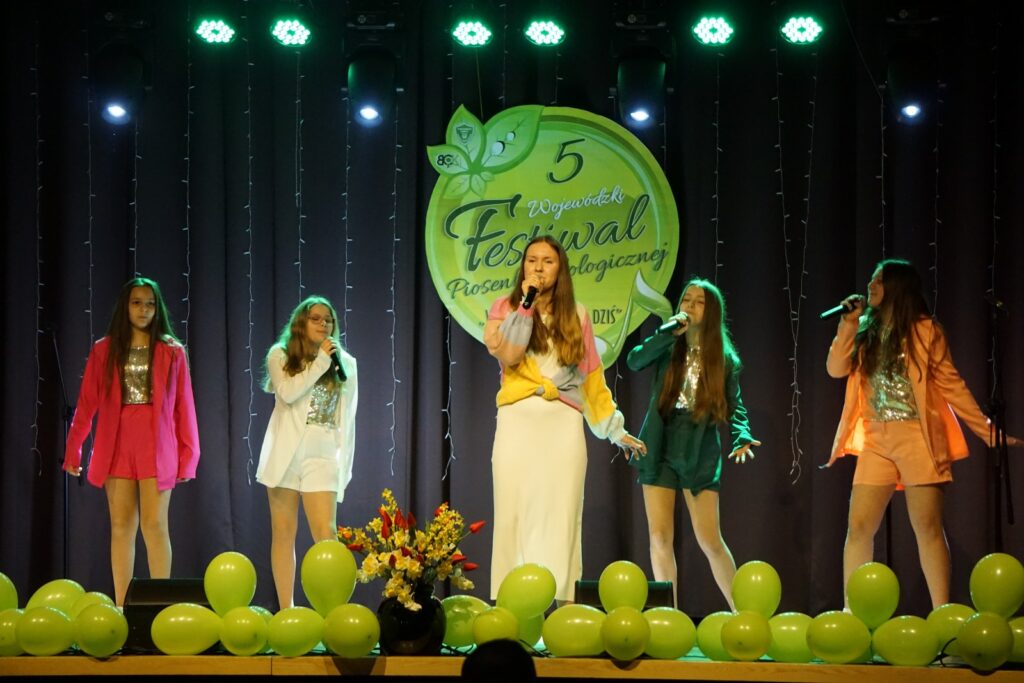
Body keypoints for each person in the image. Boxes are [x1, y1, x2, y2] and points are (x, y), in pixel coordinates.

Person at [826, 258, 1022, 608]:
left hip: (917, 438)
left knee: (927, 528)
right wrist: (848, 323)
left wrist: (989, 432)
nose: (870, 285)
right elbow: (835, 368)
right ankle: (850, 610)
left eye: (879, 280)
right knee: (858, 527)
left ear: (898, 288)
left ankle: (941, 611)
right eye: (871, 279)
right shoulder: (864, 328)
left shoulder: (926, 331)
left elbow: (953, 386)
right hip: (876, 439)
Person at [484, 236, 646, 605]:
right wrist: (525, 306)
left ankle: (563, 610)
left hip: (562, 426)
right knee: (512, 516)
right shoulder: (505, 307)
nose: (538, 267)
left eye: (548, 261)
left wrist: (615, 429)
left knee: (561, 518)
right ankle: (511, 610)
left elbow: (592, 381)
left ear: (561, 270)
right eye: (532, 260)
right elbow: (510, 355)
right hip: (517, 422)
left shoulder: (578, 315)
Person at [64, 277, 200, 607]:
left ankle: (159, 606)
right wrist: (73, 450)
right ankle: (122, 606)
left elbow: (184, 407)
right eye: (137, 302)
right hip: (117, 443)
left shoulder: (172, 351)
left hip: (157, 445)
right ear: (125, 306)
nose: (143, 310)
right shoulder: (104, 349)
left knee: (154, 526)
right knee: (122, 526)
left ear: (158, 309)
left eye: (150, 304)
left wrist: (189, 456)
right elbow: (87, 403)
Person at [626, 278, 760, 609]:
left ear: (711, 313)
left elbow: (735, 405)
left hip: (699, 446)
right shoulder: (668, 344)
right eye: (686, 299)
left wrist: (742, 434)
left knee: (710, 540)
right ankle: (667, 613)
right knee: (659, 536)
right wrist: (666, 334)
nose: (690, 306)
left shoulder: (723, 358)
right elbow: (634, 361)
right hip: (660, 442)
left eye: (699, 302)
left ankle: (741, 611)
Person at [257, 296, 357, 610]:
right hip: (285, 454)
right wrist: (320, 363)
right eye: (315, 318)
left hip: (322, 453)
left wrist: (345, 468)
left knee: (326, 533)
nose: (323, 324)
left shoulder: (346, 362)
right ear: (301, 322)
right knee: (283, 532)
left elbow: (348, 420)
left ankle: (332, 610)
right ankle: (286, 609)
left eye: (328, 319)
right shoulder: (280, 354)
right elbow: (287, 393)